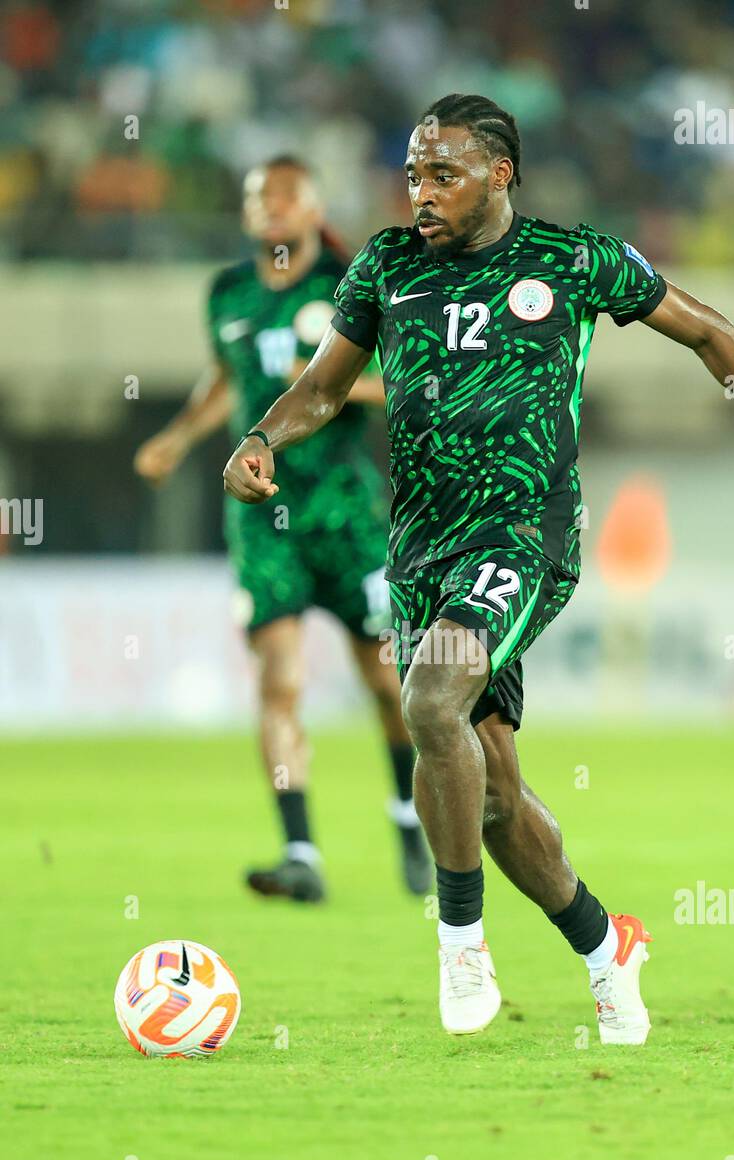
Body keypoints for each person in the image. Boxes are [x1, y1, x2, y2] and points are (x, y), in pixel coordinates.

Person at [222, 96, 734, 1039]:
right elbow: (323, 386)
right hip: (422, 546)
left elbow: (711, 331)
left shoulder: (572, 259)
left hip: (526, 533)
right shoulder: (388, 268)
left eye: (444, 175)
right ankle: (606, 948)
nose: (420, 193)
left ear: (499, 173)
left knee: (431, 702)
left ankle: (460, 942)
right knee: (495, 788)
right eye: (413, 174)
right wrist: (262, 435)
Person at [134, 156, 431, 903]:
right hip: (264, 525)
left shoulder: (350, 284)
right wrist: (178, 436)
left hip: (346, 516)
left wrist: (323, 381)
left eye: (284, 196)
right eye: (257, 197)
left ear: (312, 209)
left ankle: (407, 818)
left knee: (389, 682)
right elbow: (226, 380)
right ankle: (301, 852)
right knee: (280, 681)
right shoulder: (228, 292)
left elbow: (409, 379)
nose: (269, 208)